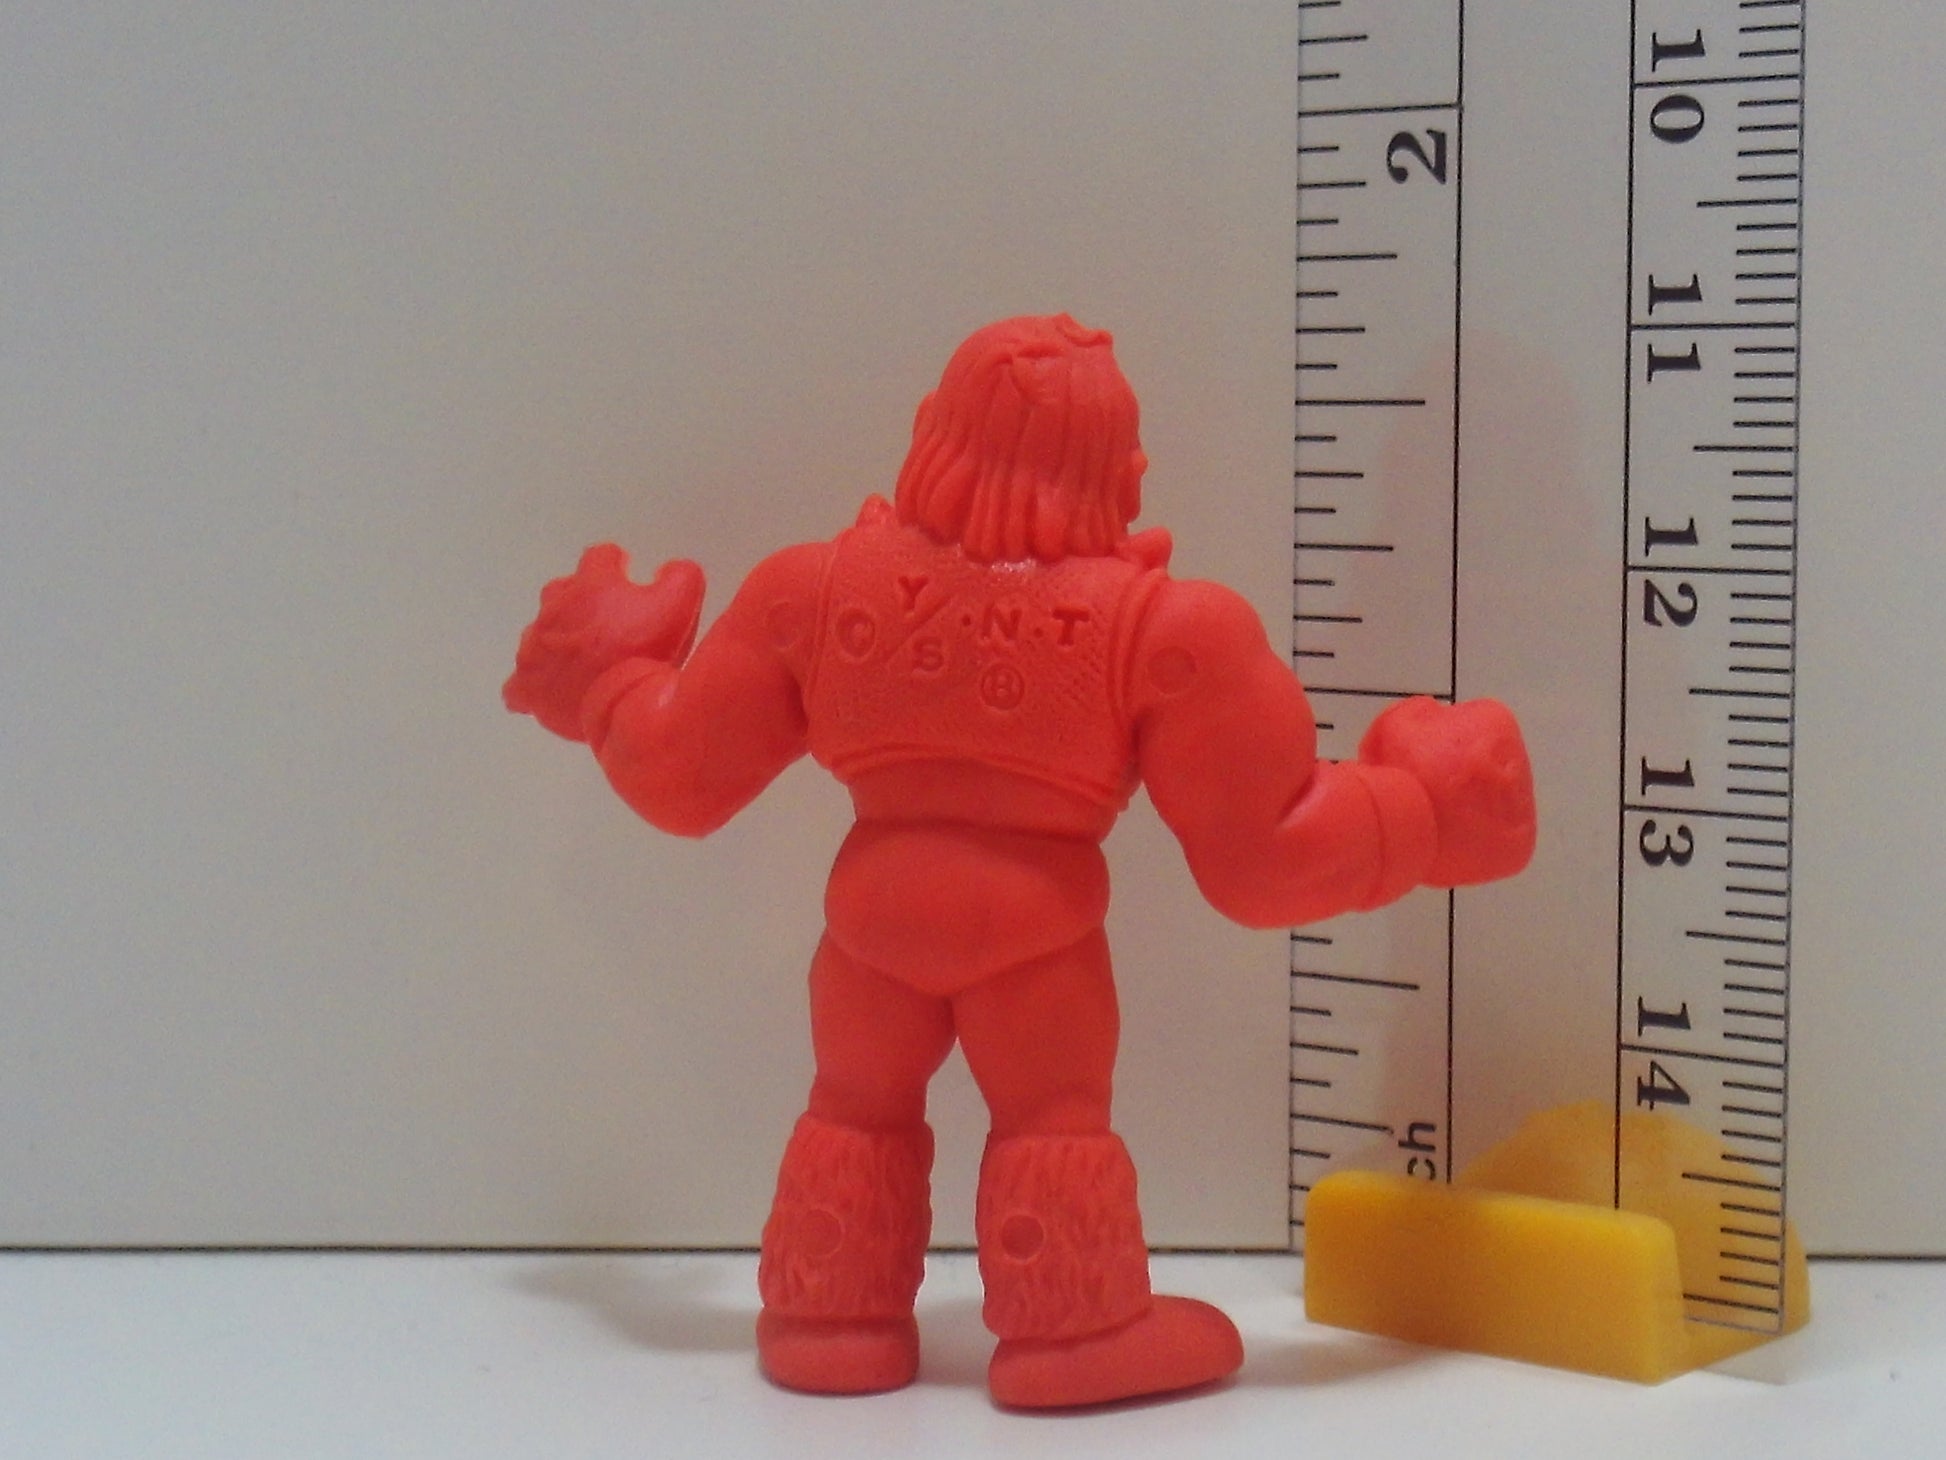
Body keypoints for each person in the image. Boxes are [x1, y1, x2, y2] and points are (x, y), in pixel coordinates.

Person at [504, 314, 1535, 1407]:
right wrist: (1423, 810)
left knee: (853, 1102)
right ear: (1121, 470)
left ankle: (827, 1317)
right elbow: (1264, 855)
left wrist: (608, 674)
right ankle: (1070, 1333)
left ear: (930, 431)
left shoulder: (812, 592)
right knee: (1051, 1117)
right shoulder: (1165, 631)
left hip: (868, 930)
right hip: (1034, 941)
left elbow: (679, 776)